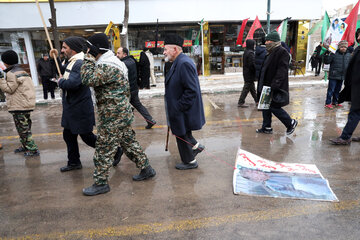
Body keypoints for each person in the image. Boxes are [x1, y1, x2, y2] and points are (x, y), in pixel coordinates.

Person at [81, 33, 156, 196]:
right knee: (129, 143)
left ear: (95, 49)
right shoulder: (110, 62)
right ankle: (147, 169)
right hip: (119, 112)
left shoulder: (108, 65)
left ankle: (100, 183)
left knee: (104, 148)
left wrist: (88, 57)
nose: (86, 51)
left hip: (112, 115)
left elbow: (87, 79)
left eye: (88, 47)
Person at [50, 37, 97, 172]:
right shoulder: (72, 62)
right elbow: (63, 70)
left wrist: (60, 82)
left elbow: (73, 83)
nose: (63, 50)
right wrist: (55, 57)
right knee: (68, 135)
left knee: (87, 137)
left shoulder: (79, 63)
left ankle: (115, 151)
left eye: (65, 47)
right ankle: (74, 162)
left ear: (73, 48)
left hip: (79, 108)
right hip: (72, 107)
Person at [163, 34, 205, 170]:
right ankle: (195, 149)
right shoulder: (177, 62)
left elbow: (191, 90)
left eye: (165, 49)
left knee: (181, 134)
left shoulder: (184, 63)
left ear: (175, 49)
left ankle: (190, 162)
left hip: (182, 109)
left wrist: (177, 107)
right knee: (182, 133)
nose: (163, 52)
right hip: (179, 108)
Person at [256, 31, 298, 135]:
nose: (266, 42)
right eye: (265, 41)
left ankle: (290, 122)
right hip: (266, 84)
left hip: (273, 85)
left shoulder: (282, 52)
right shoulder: (270, 51)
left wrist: (275, 84)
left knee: (274, 107)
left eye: (268, 40)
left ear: (274, 41)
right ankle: (267, 127)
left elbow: (282, 71)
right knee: (265, 106)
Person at [0, 50, 40, 157]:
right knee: (25, 127)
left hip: (18, 106)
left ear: (6, 62)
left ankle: (33, 149)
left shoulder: (11, 73)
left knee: (23, 129)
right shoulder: (22, 70)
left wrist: (0, 79)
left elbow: (9, 89)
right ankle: (25, 146)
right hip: (25, 104)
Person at [330, 29, 360, 145]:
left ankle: (345, 137)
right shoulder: (358, 49)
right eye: (358, 35)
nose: (358, 38)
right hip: (355, 86)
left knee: (354, 112)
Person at [116, 47, 156, 132]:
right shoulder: (131, 61)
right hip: (133, 88)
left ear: (125, 54)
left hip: (127, 91)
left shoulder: (124, 64)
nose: (117, 55)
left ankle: (124, 128)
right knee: (138, 106)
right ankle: (150, 120)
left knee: (121, 108)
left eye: (119, 53)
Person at [323, 40, 351, 109]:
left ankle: (335, 101)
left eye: (345, 47)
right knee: (331, 90)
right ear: (339, 47)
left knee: (338, 90)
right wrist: (327, 54)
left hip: (342, 76)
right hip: (334, 75)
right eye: (342, 47)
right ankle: (328, 102)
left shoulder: (348, 55)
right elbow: (327, 61)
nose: (343, 48)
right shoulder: (333, 53)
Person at [238, 39, 257, 108]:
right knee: (247, 87)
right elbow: (252, 64)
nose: (255, 46)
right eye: (254, 44)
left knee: (252, 88)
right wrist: (255, 70)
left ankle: (257, 100)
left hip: (246, 72)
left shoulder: (246, 52)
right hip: (249, 73)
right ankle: (241, 102)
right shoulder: (251, 53)